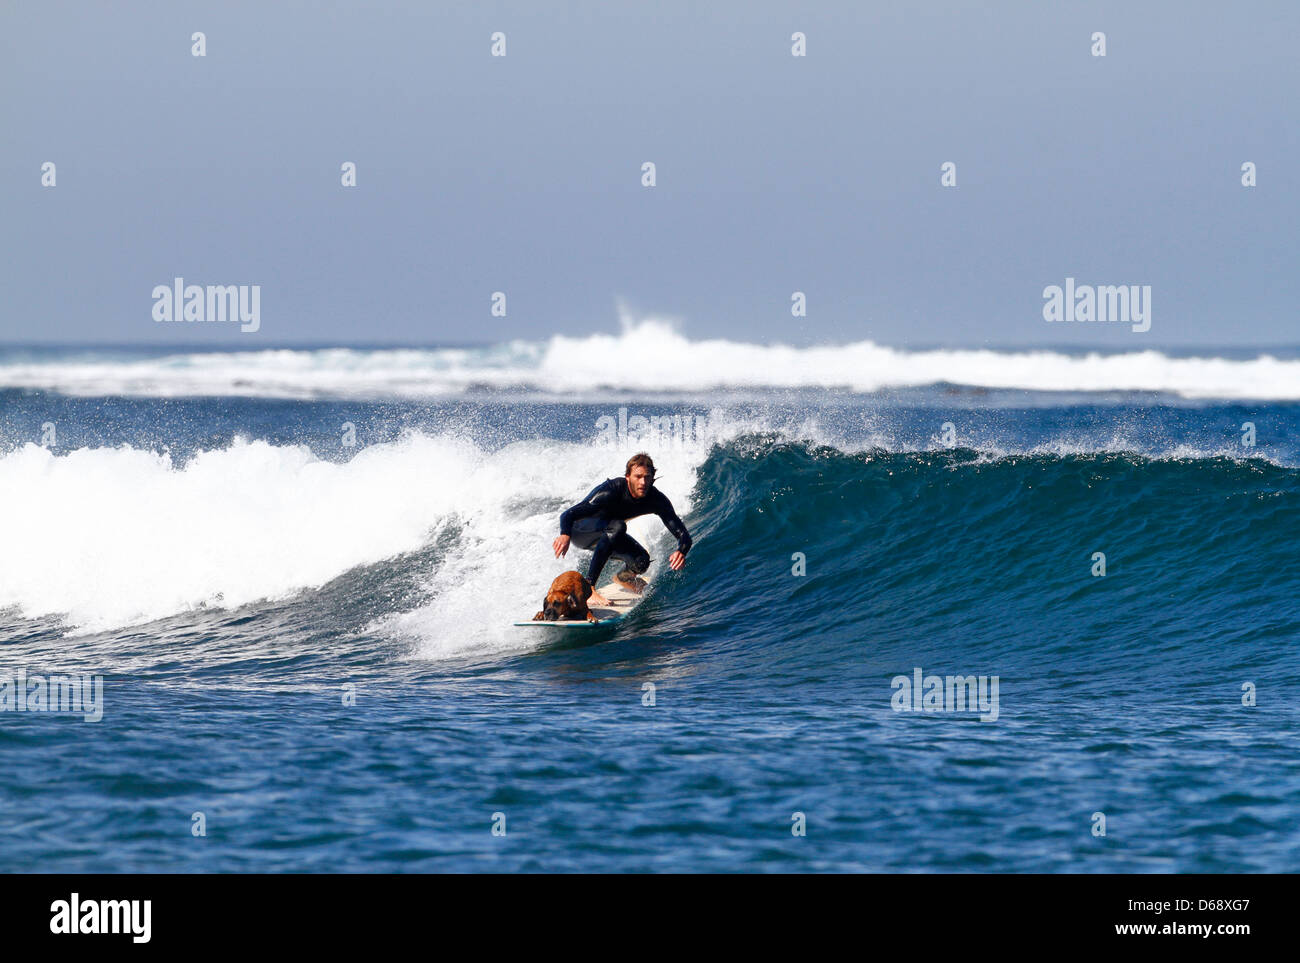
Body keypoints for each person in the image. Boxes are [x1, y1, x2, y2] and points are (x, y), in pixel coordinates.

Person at [552, 453, 691, 605]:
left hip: (610, 533)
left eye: (647, 477)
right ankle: (589, 588)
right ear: (627, 477)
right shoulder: (611, 491)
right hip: (581, 531)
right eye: (638, 476)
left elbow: (682, 533)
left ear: (652, 478)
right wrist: (564, 534)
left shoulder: (656, 500)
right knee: (618, 526)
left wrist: (681, 550)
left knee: (641, 561)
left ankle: (624, 578)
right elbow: (569, 514)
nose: (643, 482)